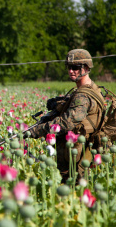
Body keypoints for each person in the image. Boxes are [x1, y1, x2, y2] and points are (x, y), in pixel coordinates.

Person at [29, 49, 106, 182]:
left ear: (86, 68)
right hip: (80, 153)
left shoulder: (82, 96)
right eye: (69, 67)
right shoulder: (92, 88)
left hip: (77, 159)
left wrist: (35, 130)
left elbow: (66, 123)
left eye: (75, 67)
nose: (71, 71)